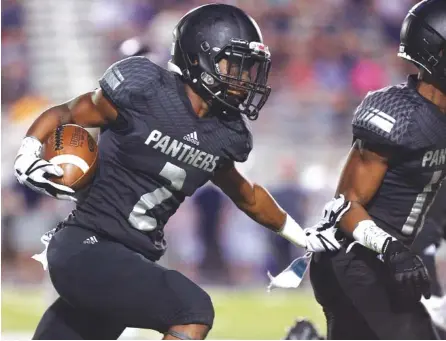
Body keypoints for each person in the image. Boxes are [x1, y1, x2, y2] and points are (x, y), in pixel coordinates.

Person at [13, 4, 347, 340]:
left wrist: (301, 235)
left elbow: (247, 196)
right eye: (236, 65)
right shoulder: (145, 91)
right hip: (88, 246)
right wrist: (28, 151)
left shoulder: (224, 133)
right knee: (192, 309)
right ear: (199, 57)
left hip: (128, 259)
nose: (245, 78)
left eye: (250, 68)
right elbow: (69, 111)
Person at [309, 0, 446, 339]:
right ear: (433, 51)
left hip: (387, 259)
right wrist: (392, 250)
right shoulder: (400, 115)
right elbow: (344, 205)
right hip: (355, 256)